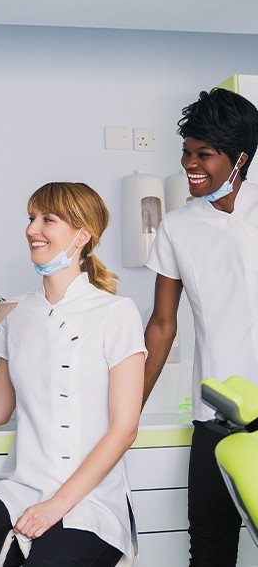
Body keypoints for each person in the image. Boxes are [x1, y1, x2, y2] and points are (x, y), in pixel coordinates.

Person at [0, 181, 146, 567]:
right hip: (25, 486)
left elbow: (125, 428)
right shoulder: (16, 313)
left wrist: (56, 506)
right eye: (31, 218)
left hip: (91, 499)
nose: (32, 229)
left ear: (81, 236)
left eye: (47, 219)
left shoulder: (116, 313)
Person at [143, 88, 258, 566]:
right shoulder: (177, 227)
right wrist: (127, 413)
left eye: (204, 154)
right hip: (216, 420)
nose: (190, 163)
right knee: (209, 552)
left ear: (239, 159)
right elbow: (162, 327)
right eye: (187, 152)